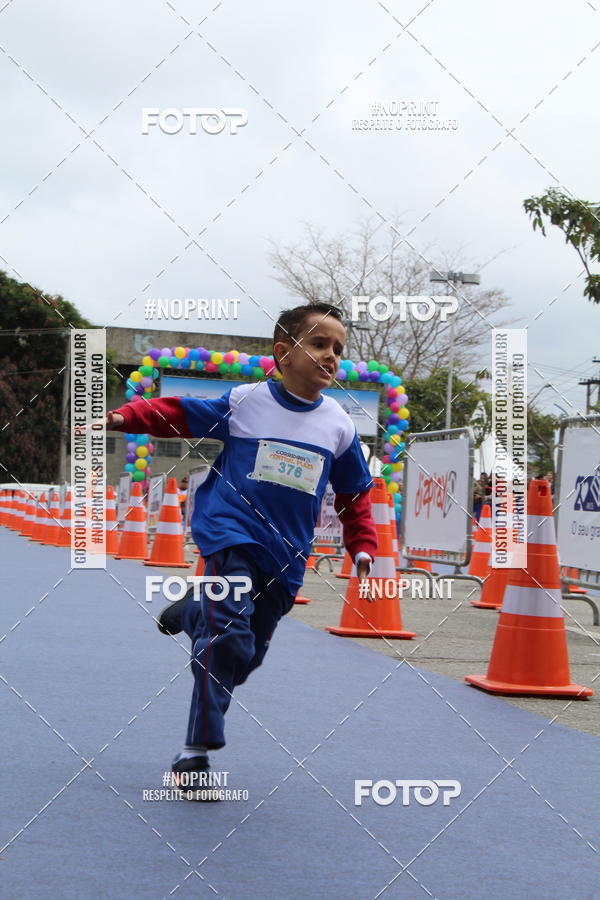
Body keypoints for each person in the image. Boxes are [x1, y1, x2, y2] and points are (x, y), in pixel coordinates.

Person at [103, 302, 378, 790]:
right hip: (230, 533)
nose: (331, 355)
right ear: (283, 353)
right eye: (319, 343)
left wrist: (362, 544)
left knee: (244, 656)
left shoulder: (338, 424)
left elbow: (356, 494)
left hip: (287, 556)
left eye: (338, 348)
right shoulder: (246, 401)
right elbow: (179, 413)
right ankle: (195, 754)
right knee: (226, 637)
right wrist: (124, 417)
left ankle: (193, 613)